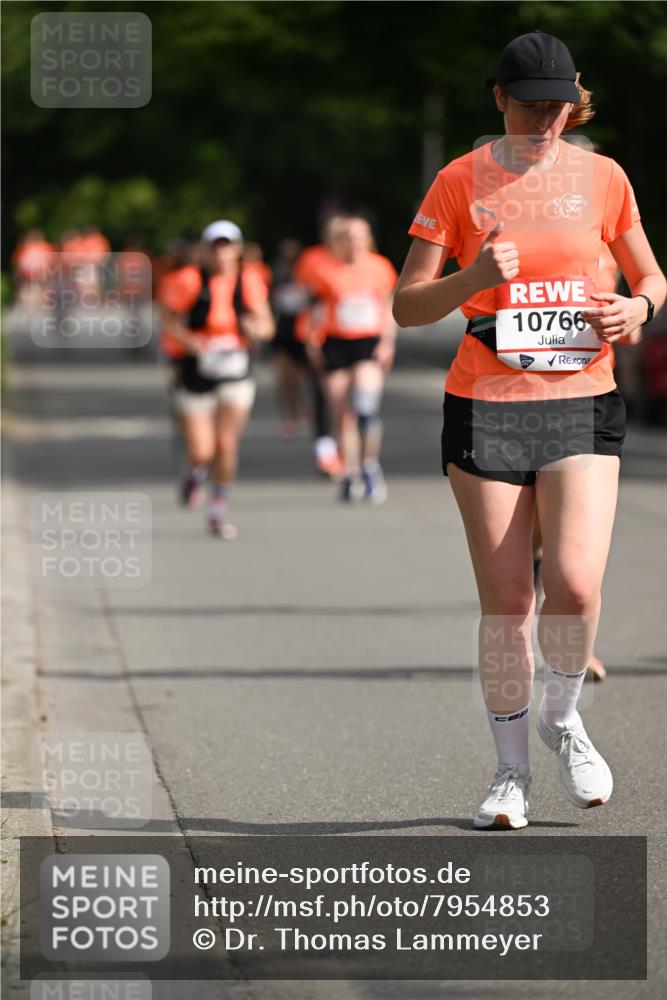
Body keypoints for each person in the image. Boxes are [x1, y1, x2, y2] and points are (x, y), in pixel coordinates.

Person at [393, 31, 666, 829]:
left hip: (581, 397)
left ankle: (560, 717)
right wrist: (473, 277)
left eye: (558, 107)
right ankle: (509, 773)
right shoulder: (459, 179)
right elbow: (406, 306)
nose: (544, 121)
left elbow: (651, 274)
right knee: (509, 601)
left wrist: (637, 307)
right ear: (498, 99)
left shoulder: (602, 177)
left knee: (574, 585)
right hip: (485, 402)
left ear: (574, 103)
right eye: (529, 106)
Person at [156, 220, 274, 539]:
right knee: (202, 448)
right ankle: (195, 472)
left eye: (227, 246)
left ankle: (218, 511)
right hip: (197, 369)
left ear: (238, 249)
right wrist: (188, 340)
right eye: (215, 246)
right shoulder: (188, 280)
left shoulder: (249, 280)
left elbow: (267, 325)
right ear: (205, 250)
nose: (222, 253)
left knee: (226, 444)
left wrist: (255, 330)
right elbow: (166, 317)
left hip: (235, 368)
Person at [304, 216, 398, 503]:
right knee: (342, 414)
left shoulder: (380, 267)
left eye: (358, 236)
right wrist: (312, 341)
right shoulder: (324, 269)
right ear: (339, 240)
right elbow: (316, 308)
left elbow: (387, 305)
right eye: (347, 236)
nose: (353, 241)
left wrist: (387, 342)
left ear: (367, 238)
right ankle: (351, 472)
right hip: (335, 343)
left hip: (367, 343)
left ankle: (370, 466)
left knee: (365, 408)